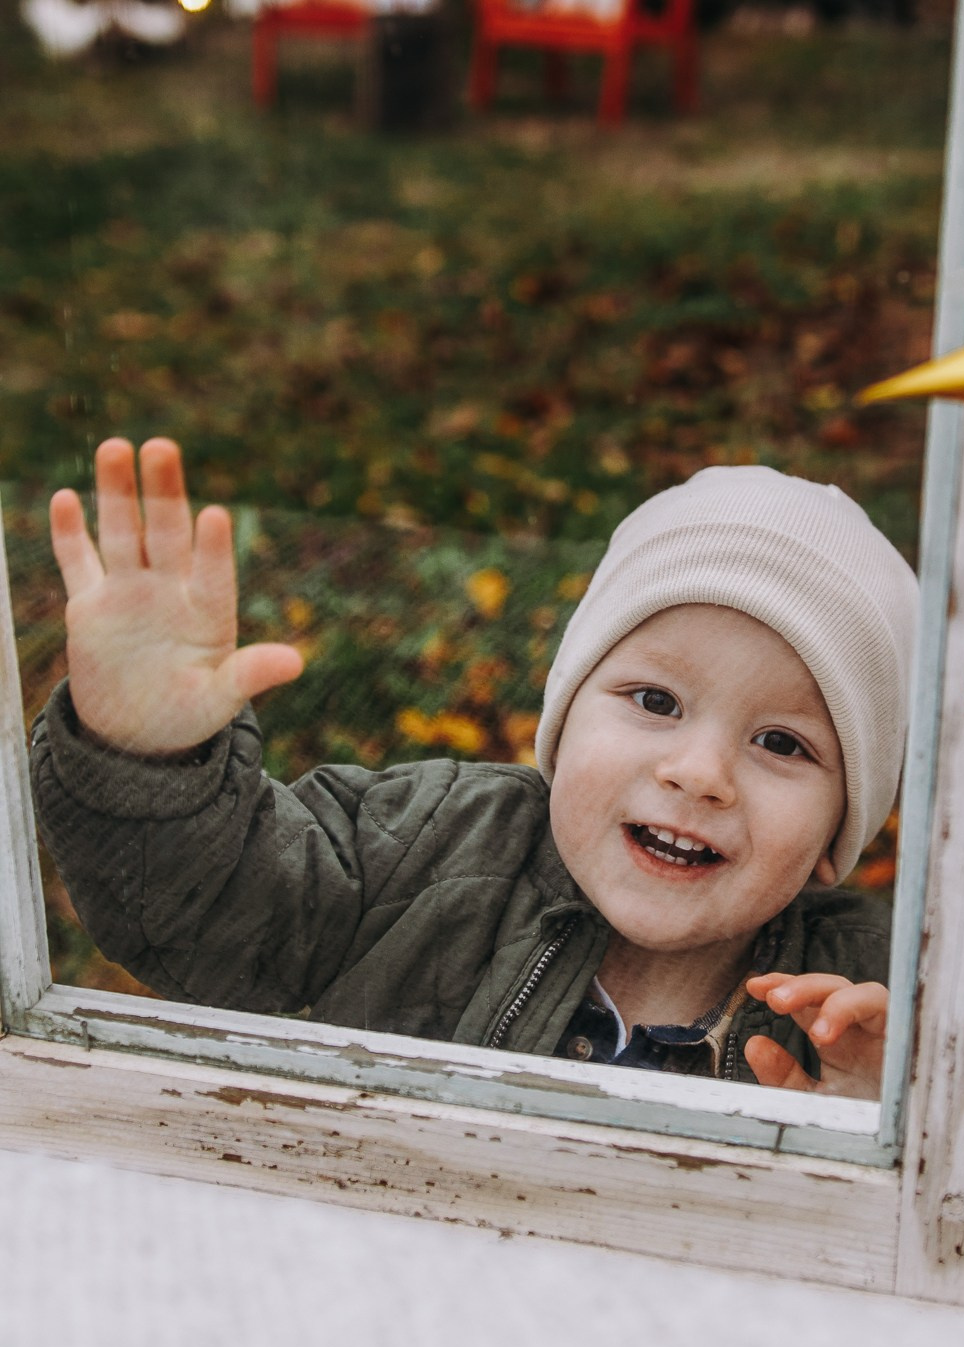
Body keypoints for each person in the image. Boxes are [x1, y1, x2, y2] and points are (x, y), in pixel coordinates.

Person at [30, 438, 918, 1097]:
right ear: (564, 725)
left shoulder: (869, 1009)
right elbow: (209, 906)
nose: (699, 771)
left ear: (841, 828)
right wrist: (148, 754)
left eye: (782, 744)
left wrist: (881, 1126)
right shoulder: (422, 845)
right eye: (655, 702)